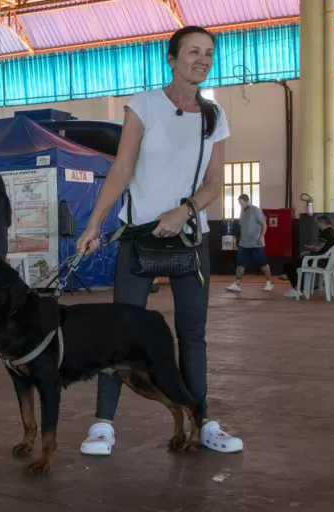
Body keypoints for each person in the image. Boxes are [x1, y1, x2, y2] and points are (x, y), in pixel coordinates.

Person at [75, 26, 243, 455]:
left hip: (190, 239)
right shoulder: (144, 104)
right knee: (120, 330)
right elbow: (121, 169)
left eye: (208, 53)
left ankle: (201, 419)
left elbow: (213, 185)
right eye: (193, 52)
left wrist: (184, 210)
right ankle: (103, 425)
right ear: (171, 59)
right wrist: (94, 223)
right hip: (138, 238)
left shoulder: (214, 116)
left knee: (193, 332)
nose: (202, 59)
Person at [282, 215, 334, 299]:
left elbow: (317, 248)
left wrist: (310, 247)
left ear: (322, 223)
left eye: (317, 223)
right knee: (299, 261)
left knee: (289, 266)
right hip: (327, 261)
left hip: (319, 261)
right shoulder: (332, 232)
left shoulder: (325, 232)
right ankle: (302, 287)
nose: (317, 225)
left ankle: (297, 289)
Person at [225, 194, 273, 292]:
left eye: (242, 204)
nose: (241, 206)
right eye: (240, 204)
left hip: (256, 243)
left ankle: (269, 282)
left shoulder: (255, 210)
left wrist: (261, 236)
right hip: (244, 244)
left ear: (247, 201)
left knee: (263, 264)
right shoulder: (242, 213)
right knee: (240, 264)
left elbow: (264, 224)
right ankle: (237, 284)